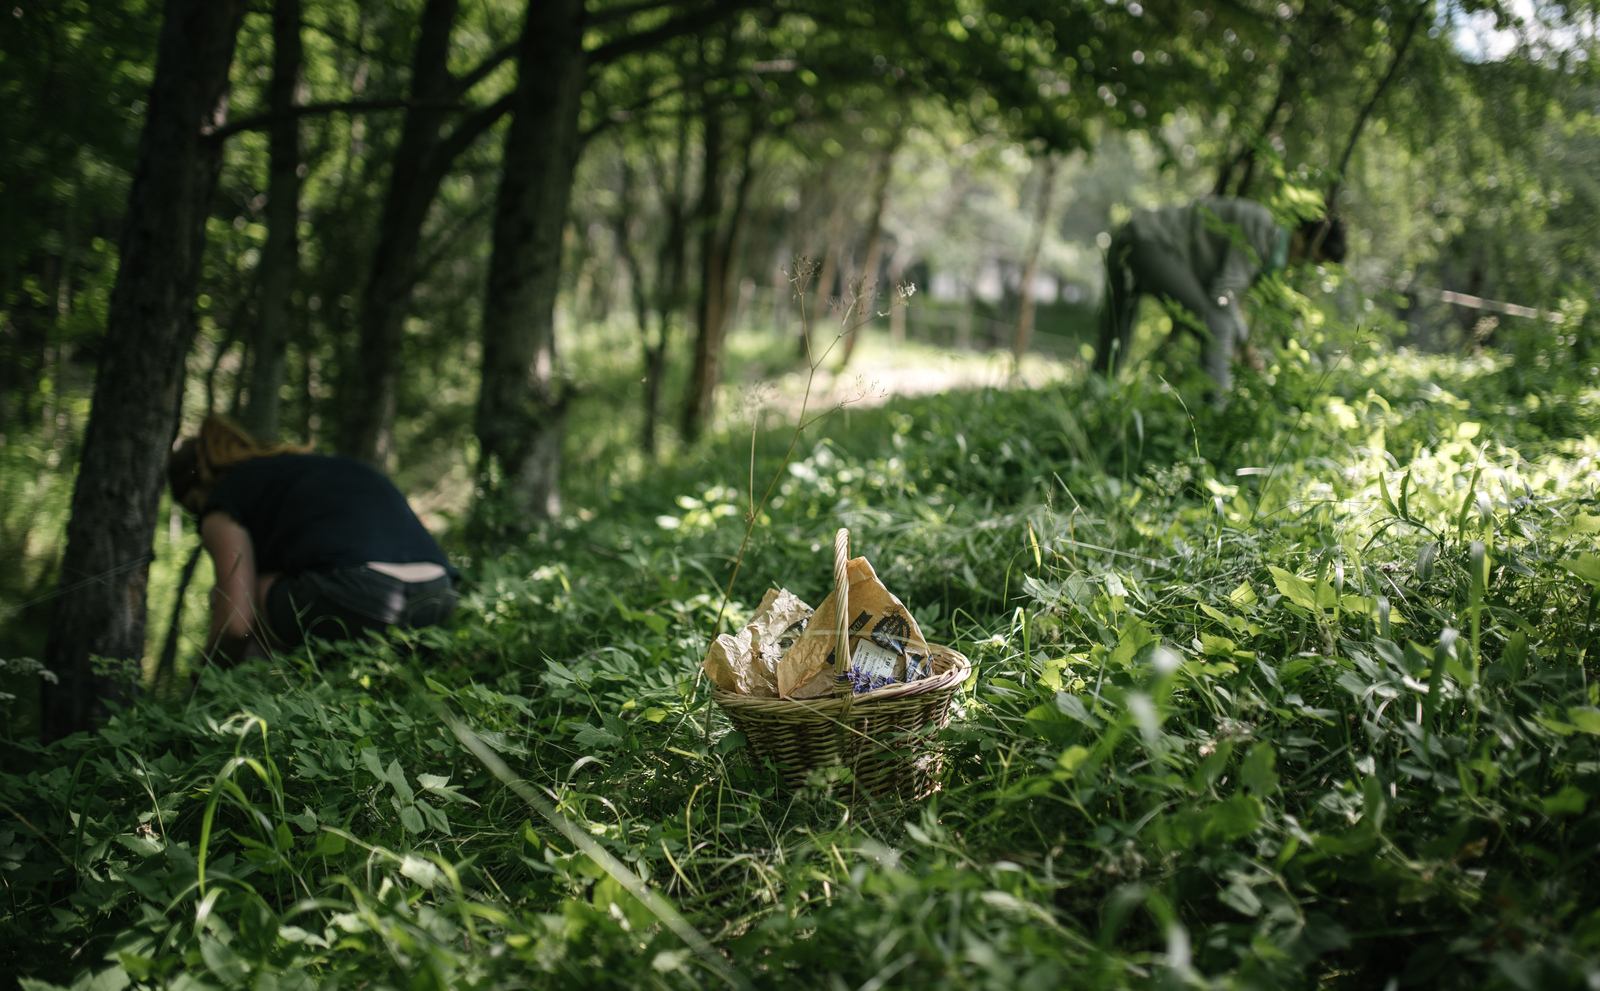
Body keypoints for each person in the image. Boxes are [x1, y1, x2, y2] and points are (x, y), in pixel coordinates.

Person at [167, 415, 457, 666]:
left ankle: (258, 697)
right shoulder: (311, 467)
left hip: (366, 596)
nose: (199, 518)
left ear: (197, 488)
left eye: (193, 508)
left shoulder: (224, 497)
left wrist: (203, 681)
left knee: (248, 590)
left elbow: (235, 625)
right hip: (438, 594)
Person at [1092, 196, 1347, 393]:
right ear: (1302, 236)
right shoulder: (1260, 227)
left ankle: (1095, 396)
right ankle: (1214, 415)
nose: (1302, 263)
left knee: (1116, 333)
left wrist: (1243, 344)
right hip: (1148, 241)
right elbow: (1223, 297)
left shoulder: (1268, 244)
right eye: (1309, 256)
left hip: (1137, 236)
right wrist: (1245, 346)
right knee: (1218, 325)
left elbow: (1220, 293)